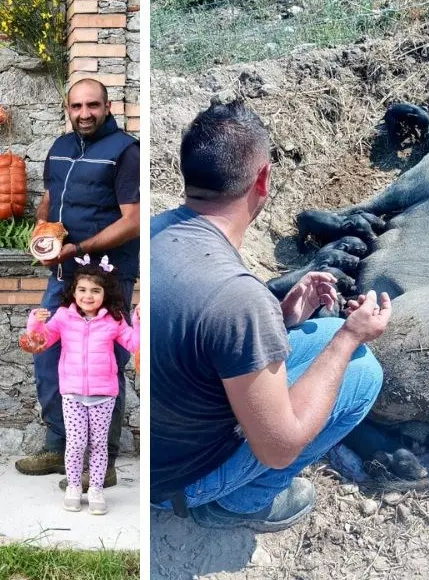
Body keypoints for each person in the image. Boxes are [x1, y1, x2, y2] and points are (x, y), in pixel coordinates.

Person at [151, 100, 391, 532]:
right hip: (175, 482)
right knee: (362, 372)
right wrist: (351, 337)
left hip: (159, 440)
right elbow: (278, 449)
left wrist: (279, 319)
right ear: (262, 179)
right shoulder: (237, 297)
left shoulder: (155, 232)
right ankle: (240, 502)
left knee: (327, 329)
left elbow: (198, 341)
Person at [15, 78, 140, 490]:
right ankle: (59, 446)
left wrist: (80, 247)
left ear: (107, 106)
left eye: (92, 105)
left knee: (105, 366)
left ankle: (101, 462)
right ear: (67, 109)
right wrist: (42, 229)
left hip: (108, 276)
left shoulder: (125, 151)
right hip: (63, 276)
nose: (84, 113)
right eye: (76, 107)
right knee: (46, 357)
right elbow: (50, 197)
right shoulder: (60, 147)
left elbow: (133, 220)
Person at [20, 260, 140, 515]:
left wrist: (139, 321)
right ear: (74, 292)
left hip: (103, 395)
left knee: (98, 445)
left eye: (95, 291)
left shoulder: (114, 320)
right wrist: (35, 323)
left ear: (105, 294)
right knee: (75, 444)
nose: (88, 295)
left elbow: (133, 343)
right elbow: (42, 341)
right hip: (72, 394)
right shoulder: (64, 317)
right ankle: (74, 486)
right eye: (83, 289)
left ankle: (95, 489)